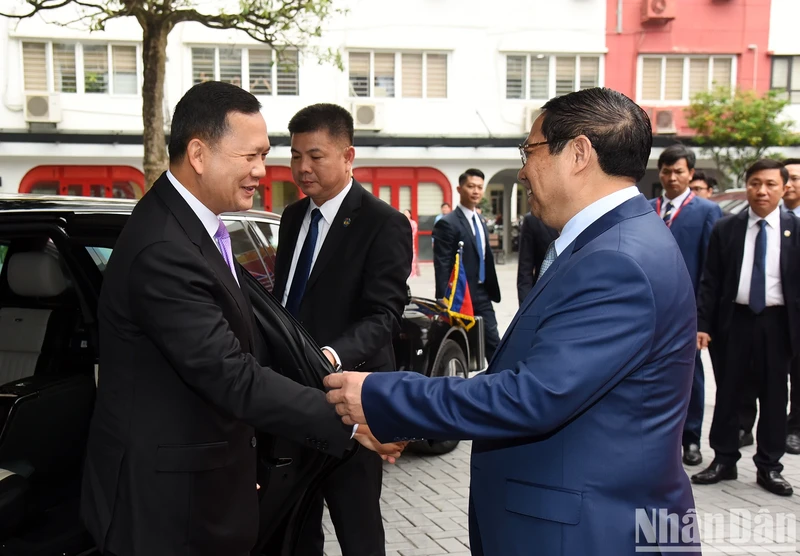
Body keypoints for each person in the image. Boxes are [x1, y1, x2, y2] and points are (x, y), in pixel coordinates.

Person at [324, 88, 698, 555]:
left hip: (586, 531)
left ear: (578, 153)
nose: (522, 169)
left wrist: (382, 396)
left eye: (531, 150)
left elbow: (532, 395)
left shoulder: (618, 260)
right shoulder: (611, 241)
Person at [80, 82, 401, 556]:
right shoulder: (165, 249)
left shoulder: (198, 228)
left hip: (200, 485)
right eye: (250, 156)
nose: (262, 171)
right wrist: (349, 420)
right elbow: (229, 372)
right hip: (164, 507)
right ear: (199, 154)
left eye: (265, 155)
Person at [272, 103, 412, 556]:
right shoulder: (293, 219)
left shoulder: (383, 222)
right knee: (295, 524)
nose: (302, 167)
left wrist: (329, 355)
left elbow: (384, 315)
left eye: (315, 155)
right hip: (292, 400)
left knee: (358, 527)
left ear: (348, 156)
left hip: (349, 399)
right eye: (295, 156)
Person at [693, 159, 800, 496]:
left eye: (770, 184)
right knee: (728, 393)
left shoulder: (795, 231)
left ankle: (769, 467)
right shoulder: (727, 228)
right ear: (747, 185)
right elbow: (710, 281)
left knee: (773, 395)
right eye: (755, 183)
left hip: (777, 322)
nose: (761, 191)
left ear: (784, 188)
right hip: (734, 322)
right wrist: (703, 323)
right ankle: (724, 459)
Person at [651, 144, 723, 466]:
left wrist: (703, 319)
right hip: (649, 310)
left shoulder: (707, 211)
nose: (672, 177)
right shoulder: (646, 207)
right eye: (666, 171)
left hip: (687, 311)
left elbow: (711, 269)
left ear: (690, 173)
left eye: (678, 171)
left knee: (690, 376)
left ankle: (691, 439)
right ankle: (654, 439)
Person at [432, 169, 501, 361]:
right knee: (460, 346)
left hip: (482, 292)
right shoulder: (448, 223)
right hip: (460, 296)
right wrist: (442, 296)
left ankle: (498, 381)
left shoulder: (480, 220)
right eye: (471, 186)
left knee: (494, 342)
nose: (476, 191)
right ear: (459, 188)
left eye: (479, 187)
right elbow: (443, 261)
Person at [516, 211, 558, 304]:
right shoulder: (532, 220)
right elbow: (525, 270)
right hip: (543, 297)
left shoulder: (585, 215)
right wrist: (525, 307)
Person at [403, 209, 420, 277]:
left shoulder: (413, 223)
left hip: (410, 240)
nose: (406, 214)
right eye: (404, 213)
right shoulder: (401, 222)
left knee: (412, 256)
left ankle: (413, 272)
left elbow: (414, 232)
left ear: (410, 214)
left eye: (407, 213)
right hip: (403, 240)